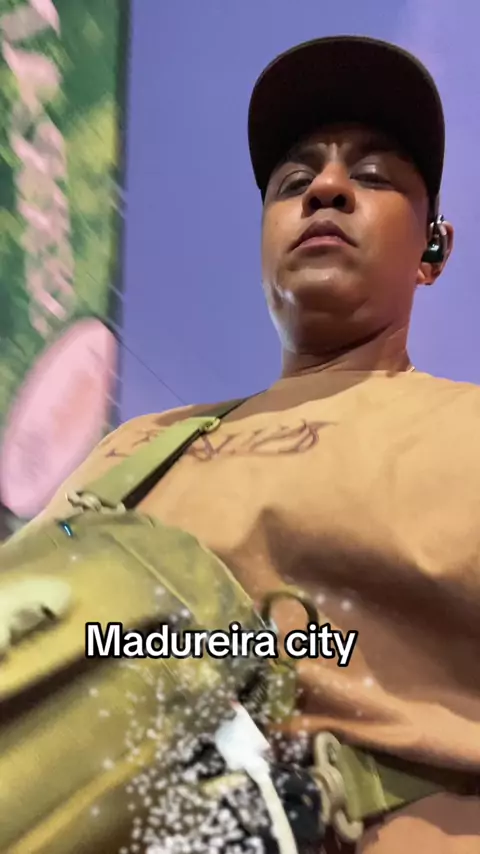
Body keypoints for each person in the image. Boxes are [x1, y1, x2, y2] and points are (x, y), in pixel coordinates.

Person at [21, 36, 480, 853]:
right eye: (294, 183)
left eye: (374, 175)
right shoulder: (137, 448)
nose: (326, 189)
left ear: (433, 249)